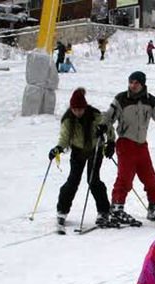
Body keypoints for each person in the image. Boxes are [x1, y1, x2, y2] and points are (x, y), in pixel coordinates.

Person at [103, 71, 155, 225]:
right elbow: (108, 117)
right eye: (131, 82)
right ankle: (116, 208)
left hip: (141, 145)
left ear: (142, 84)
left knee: (150, 179)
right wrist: (103, 128)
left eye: (136, 83)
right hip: (125, 143)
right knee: (125, 179)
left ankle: (154, 207)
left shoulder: (150, 100)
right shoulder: (121, 99)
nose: (133, 86)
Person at [49, 88, 116, 232]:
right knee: (73, 180)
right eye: (75, 109)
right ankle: (62, 211)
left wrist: (111, 143)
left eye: (80, 109)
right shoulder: (68, 119)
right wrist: (58, 149)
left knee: (93, 180)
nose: (78, 112)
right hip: (78, 151)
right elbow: (64, 138)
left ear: (85, 107)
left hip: (95, 150)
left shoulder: (96, 115)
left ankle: (104, 211)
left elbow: (109, 128)